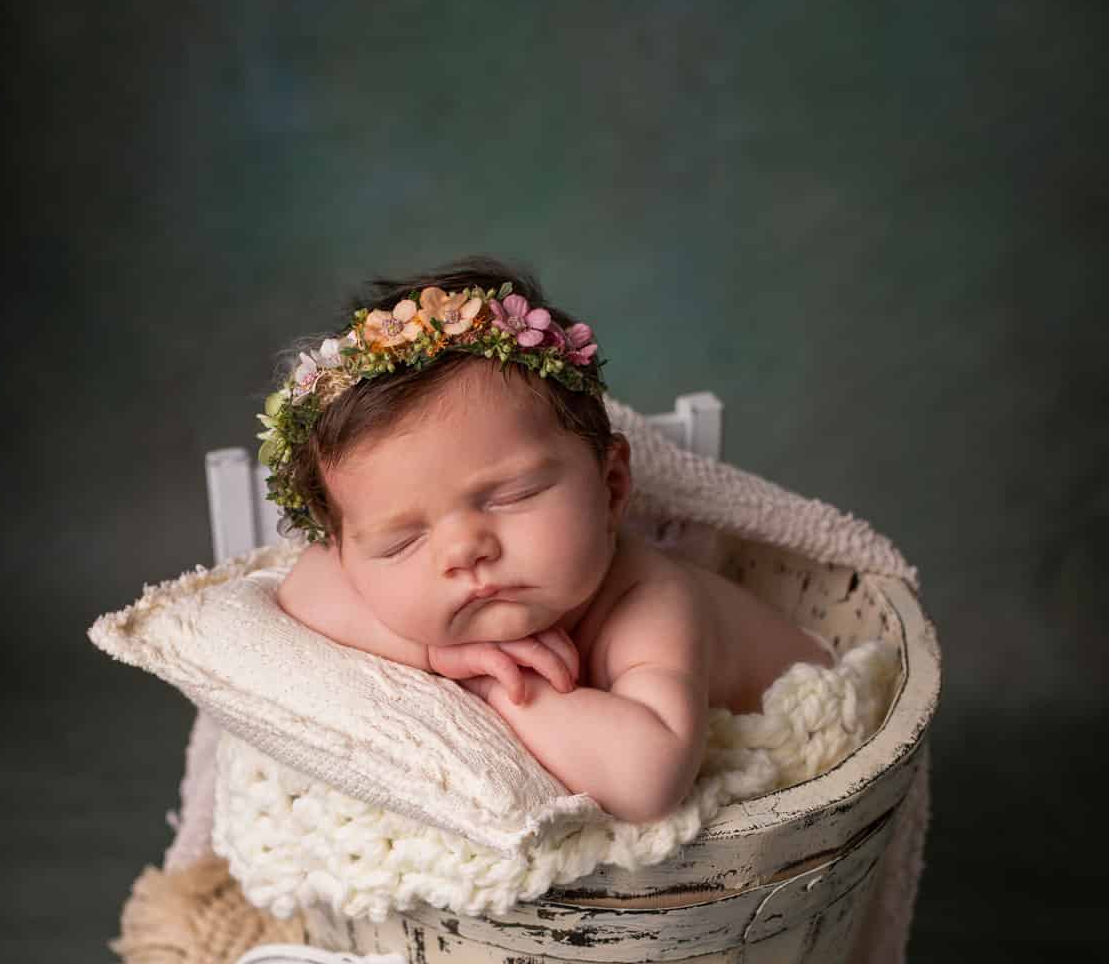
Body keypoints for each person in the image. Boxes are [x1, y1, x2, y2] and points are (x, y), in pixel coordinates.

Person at [264, 256, 832, 824]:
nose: (464, 551)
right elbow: (301, 586)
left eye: (509, 497)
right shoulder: (374, 578)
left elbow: (646, 779)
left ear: (611, 488)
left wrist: (495, 687)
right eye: (400, 542)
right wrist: (435, 654)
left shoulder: (650, 601)